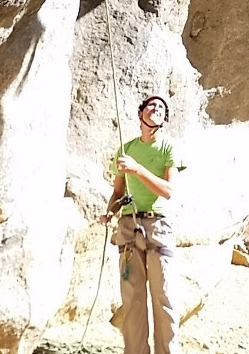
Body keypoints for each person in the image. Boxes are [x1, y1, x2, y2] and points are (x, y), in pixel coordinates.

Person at [98, 95, 182, 354]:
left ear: (164, 119)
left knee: (163, 296)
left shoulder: (168, 147)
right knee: (132, 299)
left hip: (158, 226)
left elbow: (168, 190)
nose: (155, 109)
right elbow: (119, 191)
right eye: (151, 106)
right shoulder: (126, 150)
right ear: (141, 113)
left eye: (160, 108)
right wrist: (109, 212)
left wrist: (138, 170)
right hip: (129, 225)